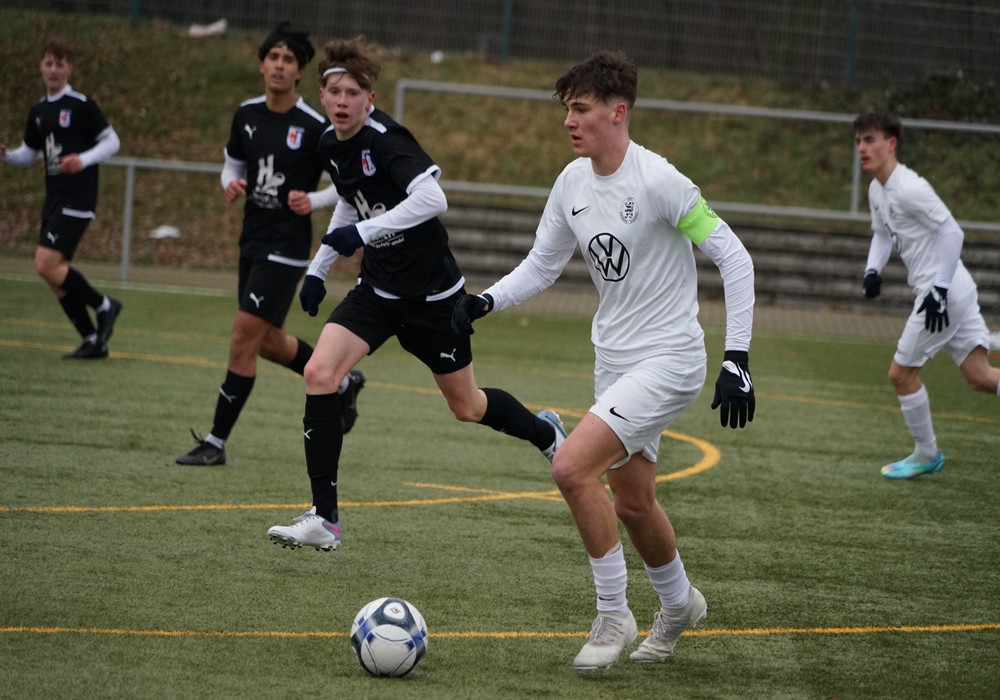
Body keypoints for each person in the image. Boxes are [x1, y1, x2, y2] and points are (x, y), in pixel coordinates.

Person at [452, 50, 756, 670]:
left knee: (570, 467)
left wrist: (737, 358)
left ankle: (614, 614)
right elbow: (541, 265)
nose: (569, 120)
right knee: (634, 502)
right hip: (613, 361)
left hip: (669, 359)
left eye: (581, 108)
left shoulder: (660, 180)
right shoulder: (571, 183)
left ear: (618, 113)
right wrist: (484, 301)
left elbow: (735, 257)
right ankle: (680, 604)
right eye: (567, 109)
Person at [265, 36, 566, 552]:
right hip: (377, 292)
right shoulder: (330, 143)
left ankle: (545, 433)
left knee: (468, 406)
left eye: (353, 92)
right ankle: (325, 519)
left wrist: (362, 234)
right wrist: (319, 267)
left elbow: (432, 198)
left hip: (433, 299)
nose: (342, 101)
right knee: (319, 373)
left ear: (370, 99)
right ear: (322, 95)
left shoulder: (387, 140)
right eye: (334, 91)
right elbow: (350, 200)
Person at [175, 22, 364, 466]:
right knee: (268, 342)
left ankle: (215, 442)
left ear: (300, 72)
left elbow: (345, 184)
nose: (279, 65)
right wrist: (230, 182)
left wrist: (313, 199)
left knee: (243, 337)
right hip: (253, 239)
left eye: (288, 60)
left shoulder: (315, 126)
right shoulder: (247, 114)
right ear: (262, 65)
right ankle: (342, 382)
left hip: (287, 246)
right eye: (273, 58)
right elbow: (231, 163)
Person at [854, 111, 1000, 479]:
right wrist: (872, 270)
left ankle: (926, 453)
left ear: (891, 144)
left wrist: (939, 290)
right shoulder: (876, 190)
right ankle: (926, 453)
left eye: (870, 140)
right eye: (858, 141)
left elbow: (953, 232)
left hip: (944, 294)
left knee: (900, 374)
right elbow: (882, 234)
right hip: (954, 289)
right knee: (980, 376)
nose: (862, 148)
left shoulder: (910, 187)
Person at [1, 40, 123, 359]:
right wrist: (7, 155)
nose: (54, 69)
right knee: (53, 272)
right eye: (49, 63)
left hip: (78, 197)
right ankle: (92, 340)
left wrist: (83, 159)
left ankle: (105, 305)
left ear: (69, 68)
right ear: (40, 68)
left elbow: (112, 142)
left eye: (59, 64)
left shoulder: (80, 105)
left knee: (45, 262)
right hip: (54, 199)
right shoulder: (39, 111)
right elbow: (29, 153)